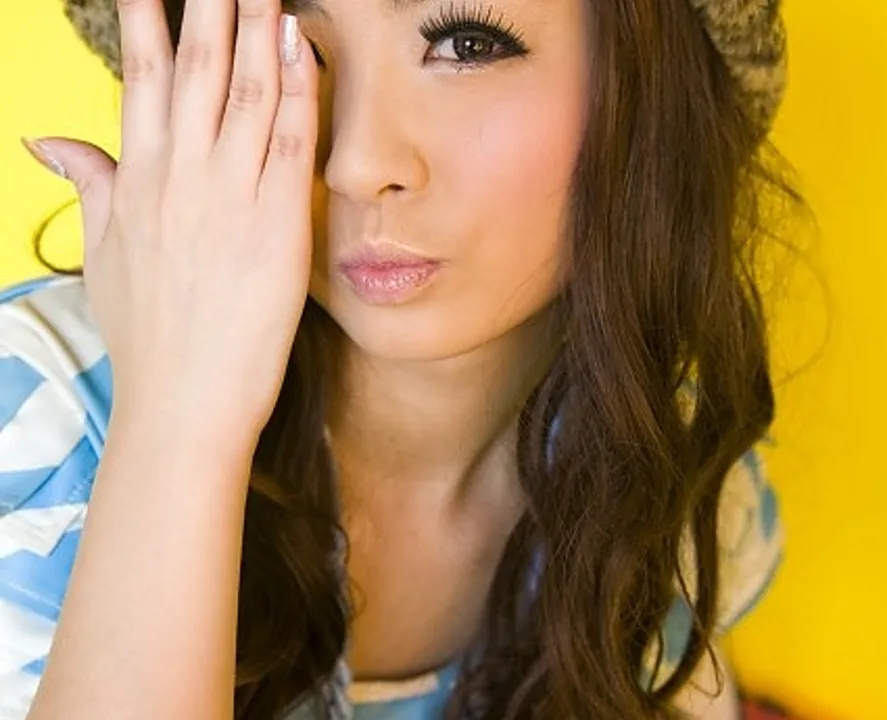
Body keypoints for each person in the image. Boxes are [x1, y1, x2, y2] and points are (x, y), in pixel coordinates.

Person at [0, 0, 799, 717]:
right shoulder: (39, 428)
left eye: (466, 42)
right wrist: (178, 425)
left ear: (649, 88)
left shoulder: (675, 481)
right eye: (286, 48)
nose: (358, 163)